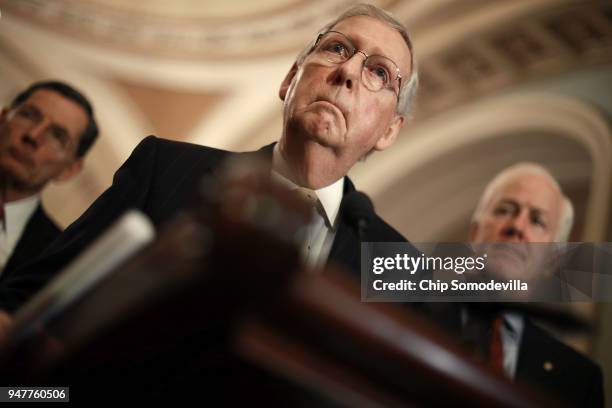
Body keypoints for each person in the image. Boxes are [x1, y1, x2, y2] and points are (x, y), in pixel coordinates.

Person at [0, 4, 418, 312]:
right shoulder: (164, 170)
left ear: (389, 131)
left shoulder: (399, 264)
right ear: (290, 78)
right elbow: (35, 294)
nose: (347, 73)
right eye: (337, 48)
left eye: (380, 73)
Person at [466, 163, 603, 407]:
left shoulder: (579, 380)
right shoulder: (414, 310)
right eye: (505, 210)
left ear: (553, 259)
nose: (517, 226)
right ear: (474, 233)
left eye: (537, 221)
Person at [0, 81, 98, 283]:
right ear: (2, 119)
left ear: (70, 170)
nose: (33, 135)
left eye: (57, 136)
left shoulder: (60, 262)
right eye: (28, 115)